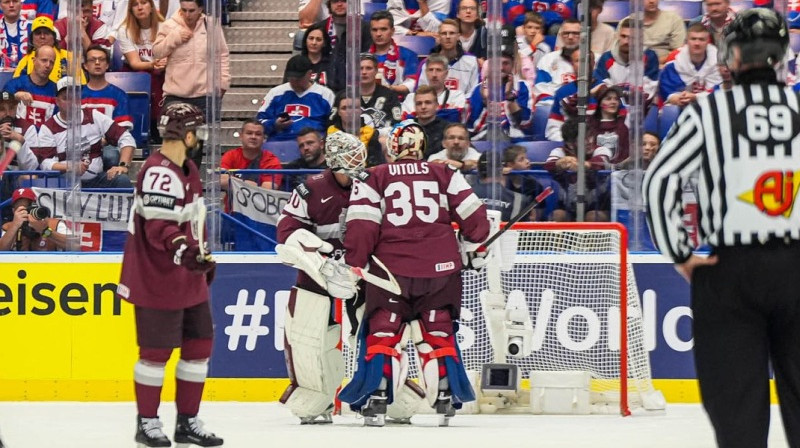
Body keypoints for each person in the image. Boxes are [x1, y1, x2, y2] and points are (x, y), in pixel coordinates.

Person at [644, 9, 800, 448]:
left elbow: (659, 182)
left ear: (730, 56)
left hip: (731, 269)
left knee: (737, 409)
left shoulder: (709, 111)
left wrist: (680, 254)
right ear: (781, 55)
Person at [339, 120, 490, 427]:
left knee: (384, 332)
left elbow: (362, 228)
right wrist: (469, 246)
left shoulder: (373, 176)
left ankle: (378, 396)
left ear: (393, 147)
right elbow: (478, 222)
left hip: (390, 273)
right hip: (441, 272)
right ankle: (446, 396)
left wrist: (355, 263)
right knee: (438, 331)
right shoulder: (445, 172)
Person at [117, 102, 223, 448]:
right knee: (156, 352)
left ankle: (188, 421)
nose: (202, 141)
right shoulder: (158, 172)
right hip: (157, 278)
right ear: (188, 134)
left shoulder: (188, 168)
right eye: (200, 134)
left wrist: (200, 256)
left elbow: (189, 223)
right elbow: (159, 228)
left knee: (199, 345)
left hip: (186, 276)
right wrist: (186, 252)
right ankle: (146, 421)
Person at [275, 130, 368, 424]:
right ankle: (318, 396)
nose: (357, 161)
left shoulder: (372, 186)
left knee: (372, 334)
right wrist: (322, 257)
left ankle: (376, 394)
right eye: (350, 156)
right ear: (334, 160)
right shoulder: (310, 189)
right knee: (307, 336)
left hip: (362, 275)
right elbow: (288, 232)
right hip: (318, 275)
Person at [33, 76, 134, 189]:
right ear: (57, 101)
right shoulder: (48, 127)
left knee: (122, 180)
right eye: (66, 98)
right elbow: (45, 163)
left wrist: (123, 166)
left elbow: (126, 138)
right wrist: (69, 167)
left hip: (96, 180)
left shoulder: (94, 116)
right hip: (64, 184)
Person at [153, 0, 230, 111]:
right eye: (184, 10)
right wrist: (174, 38)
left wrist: (223, 84)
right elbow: (157, 52)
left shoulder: (211, 25)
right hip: (175, 95)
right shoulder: (169, 25)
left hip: (205, 96)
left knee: (206, 128)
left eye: (192, 10)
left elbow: (222, 54)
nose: (187, 14)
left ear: (200, 9)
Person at [115, 0, 167, 143]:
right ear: (130, 10)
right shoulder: (124, 30)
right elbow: (134, 62)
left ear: (151, 7)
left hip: (161, 70)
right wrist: (153, 64)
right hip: (136, 73)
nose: (139, 7)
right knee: (144, 78)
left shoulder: (165, 27)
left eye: (144, 3)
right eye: (135, 4)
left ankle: (159, 130)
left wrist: (164, 63)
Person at [545, 118, 611, 222]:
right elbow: (549, 165)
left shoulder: (600, 150)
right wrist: (561, 163)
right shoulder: (559, 152)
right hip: (568, 208)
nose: (589, 141)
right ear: (570, 144)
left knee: (592, 217)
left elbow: (602, 161)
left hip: (598, 206)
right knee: (556, 216)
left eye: (590, 136)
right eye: (583, 139)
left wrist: (584, 165)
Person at [257, 54, 335, 141]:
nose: (294, 82)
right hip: (280, 143)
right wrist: (274, 124)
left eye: (298, 79)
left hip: (314, 144)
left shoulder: (325, 95)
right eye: (291, 79)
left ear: (309, 74)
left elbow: (333, 125)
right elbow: (259, 121)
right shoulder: (275, 93)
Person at [659, 23, 722, 107]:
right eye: (693, 39)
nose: (697, 43)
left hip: (713, 107)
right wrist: (675, 97)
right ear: (686, 41)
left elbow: (722, 91)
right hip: (681, 109)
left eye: (701, 39)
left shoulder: (720, 64)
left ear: (707, 42)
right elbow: (668, 91)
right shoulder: (674, 64)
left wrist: (697, 97)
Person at [415, 19, 479, 97]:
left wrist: (457, 103)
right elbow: (420, 93)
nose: (448, 37)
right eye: (444, 33)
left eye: (452, 33)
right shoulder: (426, 64)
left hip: (461, 107)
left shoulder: (471, 61)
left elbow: (474, 93)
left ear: (458, 36)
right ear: (438, 36)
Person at [219, 119, 282, 193]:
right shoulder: (230, 155)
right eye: (249, 133)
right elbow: (221, 180)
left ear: (264, 138)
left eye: (258, 134)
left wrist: (234, 181)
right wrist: (252, 185)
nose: (253, 137)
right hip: (232, 204)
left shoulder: (271, 160)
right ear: (241, 136)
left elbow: (266, 191)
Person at [472, 150, 535, 222]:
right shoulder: (520, 200)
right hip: (507, 233)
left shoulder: (463, 195)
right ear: (502, 170)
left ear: (478, 169)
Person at [367, 11, 419, 97]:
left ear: (392, 31)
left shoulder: (408, 55)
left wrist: (390, 89)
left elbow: (412, 83)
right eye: (374, 30)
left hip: (399, 103)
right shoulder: (364, 57)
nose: (378, 34)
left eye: (383, 29)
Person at [327, 91, 384, 167]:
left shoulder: (371, 133)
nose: (349, 112)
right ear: (339, 112)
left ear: (360, 111)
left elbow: (376, 164)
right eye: (344, 108)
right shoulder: (331, 133)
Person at [402, 55, 466, 123]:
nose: (434, 75)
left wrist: (418, 117)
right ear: (426, 72)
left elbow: (453, 119)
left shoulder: (457, 96)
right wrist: (443, 114)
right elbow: (406, 122)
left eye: (438, 70)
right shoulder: (411, 97)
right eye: (431, 70)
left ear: (446, 73)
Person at [4, 43, 56, 126]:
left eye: (52, 62)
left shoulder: (56, 90)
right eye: (44, 60)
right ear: (34, 60)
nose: (47, 65)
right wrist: (14, 96)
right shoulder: (16, 84)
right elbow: (3, 97)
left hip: (45, 137)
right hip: (18, 136)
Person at [0, 187, 67, 251]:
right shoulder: (8, 227)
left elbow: (74, 245)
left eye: (28, 207)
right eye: (20, 209)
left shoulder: (54, 224)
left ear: (36, 207)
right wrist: (14, 227)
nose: (25, 212)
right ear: (14, 211)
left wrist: (45, 231)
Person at [285, 21, 333, 86]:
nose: (314, 43)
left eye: (318, 39)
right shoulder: (296, 63)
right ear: (305, 41)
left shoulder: (332, 63)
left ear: (324, 43)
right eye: (311, 38)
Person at [0, 0, 32, 72]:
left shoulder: (33, 29)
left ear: (21, 5)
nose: (11, 5)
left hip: (26, 77)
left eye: (15, 1)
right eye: (7, 2)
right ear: (0, 6)